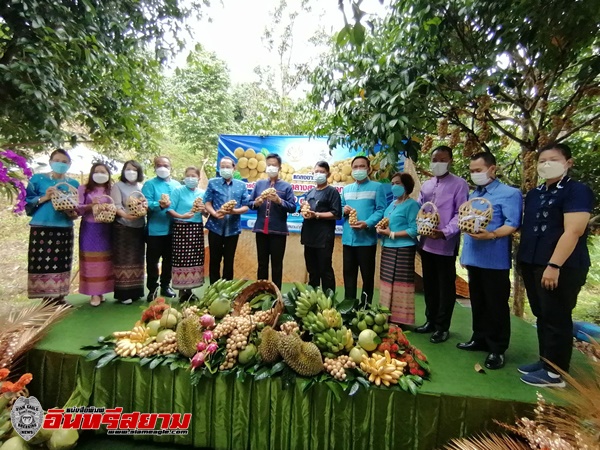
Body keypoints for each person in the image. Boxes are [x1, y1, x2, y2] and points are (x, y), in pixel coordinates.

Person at [517, 143, 594, 387]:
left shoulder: (577, 191)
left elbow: (574, 230)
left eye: (553, 159)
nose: (545, 164)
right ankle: (545, 361)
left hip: (561, 266)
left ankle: (555, 373)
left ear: (568, 163)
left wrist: (554, 265)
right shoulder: (536, 194)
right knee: (543, 314)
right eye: (542, 160)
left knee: (557, 316)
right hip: (533, 263)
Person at [458, 152, 522, 370]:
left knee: (496, 304)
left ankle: (497, 348)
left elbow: (512, 224)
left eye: (479, 170)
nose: (475, 174)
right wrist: (464, 256)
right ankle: (479, 338)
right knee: (478, 301)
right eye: (472, 171)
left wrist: (492, 234)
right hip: (474, 257)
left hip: (495, 260)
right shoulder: (474, 194)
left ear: (492, 169)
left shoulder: (509, 193)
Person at [416, 145, 469, 343]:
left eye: (442, 159)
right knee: (429, 284)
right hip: (426, 242)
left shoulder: (459, 184)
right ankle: (430, 320)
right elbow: (421, 208)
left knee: (445, 286)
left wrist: (445, 232)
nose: (437, 163)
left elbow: (461, 214)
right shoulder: (427, 185)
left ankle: (442, 327)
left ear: (450, 161)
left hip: (446, 244)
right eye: (434, 160)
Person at [25, 149, 79, 305]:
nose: (60, 164)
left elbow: (76, 210)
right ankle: (46, 298)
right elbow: (27, 203)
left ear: (69, 164)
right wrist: (45, 197)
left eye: (64, 162)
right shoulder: (37, 179)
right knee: (43, 262)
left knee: (62, 261)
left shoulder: (73, 184)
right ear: (50, 162)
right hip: (42, 227)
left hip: (64, 226)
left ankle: (60, 296)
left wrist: (72, 212)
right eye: (57, 160)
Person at [341, 155, 386, 306]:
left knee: (367, 276)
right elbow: (340, 209)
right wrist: (343, 210)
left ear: (368, 168)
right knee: (349, 275)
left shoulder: (377, 187)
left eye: (362, 166)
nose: (358, 169)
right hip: (348, 239)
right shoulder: (346, 189)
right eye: (355, 167)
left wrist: (367, 223)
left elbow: (381, 210)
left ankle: (366, 306)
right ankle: (349, 305)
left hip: (366, 239)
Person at [376, 172, 420, 325]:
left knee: (401, 283)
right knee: (387, 282)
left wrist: (392, 233)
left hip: (403, 249)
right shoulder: (392, 204)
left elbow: (415, 230)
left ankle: (400, 319)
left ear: (406, 186)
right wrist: (380, 228)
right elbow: (386, 222)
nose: (394, 186)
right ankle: (386, 315)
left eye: (398, 183)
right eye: (393, 183)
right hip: (388, 248)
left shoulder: (412, 205)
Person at [249, 153, 296, 289]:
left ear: (279, 167)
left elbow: (293, 207)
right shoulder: (259, 184)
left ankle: (276, 295)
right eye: (268, 165)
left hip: (278, 231)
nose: (271, 168)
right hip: (260, 230)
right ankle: (260, 293)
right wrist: (257, 203)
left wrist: (279, 201)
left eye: (274, 165)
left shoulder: (286, 186)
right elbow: (250, 203)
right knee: (262, 264)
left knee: (277, 265)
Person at [204, 157, 249, 284]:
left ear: (234, 168)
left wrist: (234, 211)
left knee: (229, 260)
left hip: (232, 229)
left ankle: (227, 288)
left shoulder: (241, 186)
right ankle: (213, 288)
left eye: (228, 167)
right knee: (214, 259)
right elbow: (207, 202)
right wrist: (214, 213)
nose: (225, 169)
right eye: (222, 167)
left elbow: (246, 206)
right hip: (215, 227)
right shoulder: (213, 183)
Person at [142, 156, 180, 301]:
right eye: (159, 165)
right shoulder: (150, 184)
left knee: (169, 260)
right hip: (155, 230)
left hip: (173, 229)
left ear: (171, 167)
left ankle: (165, 286)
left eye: (165, 165)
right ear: (155, 167)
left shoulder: (177, 185)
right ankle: (153, 288)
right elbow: (145, 203)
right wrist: (158, 205)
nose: (162, 168)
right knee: (152, 260)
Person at [77, 162, 115, 307]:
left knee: (105, 260)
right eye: (97, 171)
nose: (100, 174)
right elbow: (78, 209)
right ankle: (93, 293)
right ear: (92, 173)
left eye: (103, 172)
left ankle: (102, 291)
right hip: (90, 228)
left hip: (107, 228)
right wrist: (90, 206)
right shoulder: (84, 189)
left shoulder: (111, 189)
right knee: (91, 260)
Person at [300, 161, 342, 293]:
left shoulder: (332, 192)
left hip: (324, 237)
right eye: (317, 171)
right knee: (312, 270)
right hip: (309, 235)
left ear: (328, 174)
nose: (319, 174)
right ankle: (312, 300)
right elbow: (306, 210)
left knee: (325, 269)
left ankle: (329, 300)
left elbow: (336, 214)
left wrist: (317, 214)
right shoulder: (310, 192)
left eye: (322, 172)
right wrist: (305, 212)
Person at [167, 166, 206, 301]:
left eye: (193, 176)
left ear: (198, 179)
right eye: (188, 175)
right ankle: (181, 290)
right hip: (181, 228)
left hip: (196, 229)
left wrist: (204, 210)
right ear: (184, 177)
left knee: (194, 259)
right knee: (181, 259)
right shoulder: (178, 191)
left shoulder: (202, 193)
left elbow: (205, 213)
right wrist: (182, 216)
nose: (191, 178)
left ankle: (190, 290)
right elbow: (169, 209)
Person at [110, 160, 146, 305]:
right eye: (128, 169)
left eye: (134, 170)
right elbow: (116, 205)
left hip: (138, 226)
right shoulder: (118, 186)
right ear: (124, 171)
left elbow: (144, 203)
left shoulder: (141, 187)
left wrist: (143, 207)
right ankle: (123, 293)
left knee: (137, 259)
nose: (131, 172)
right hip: (123, 226)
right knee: (123, 260)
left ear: (139, 173)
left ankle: (136, 291)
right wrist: (126, 216)